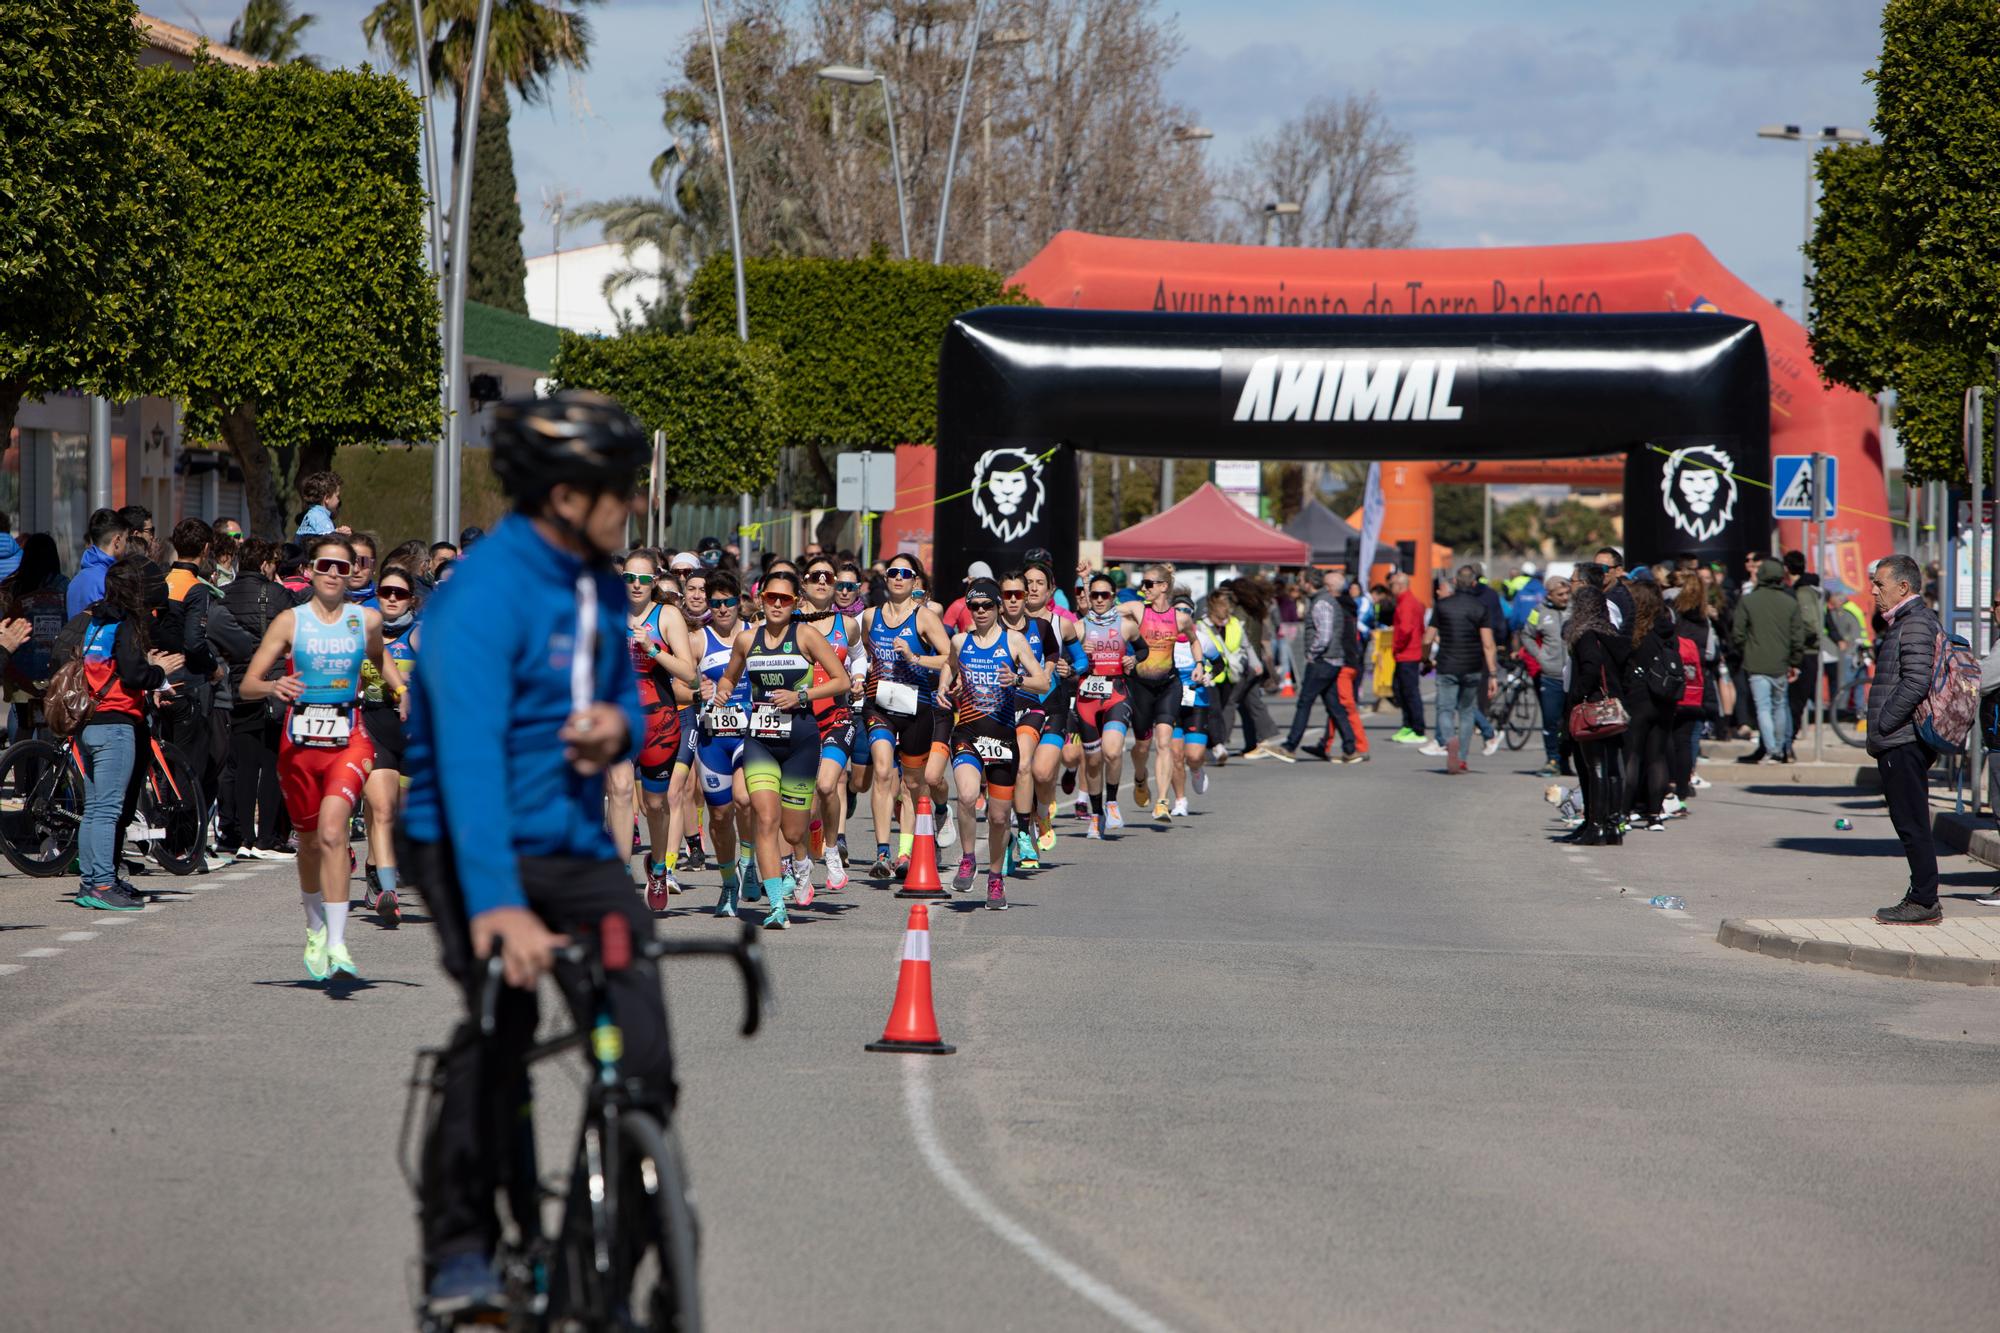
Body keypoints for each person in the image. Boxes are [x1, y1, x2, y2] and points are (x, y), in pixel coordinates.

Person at [400, 393, 666, 1311]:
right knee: (500, 1022)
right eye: (618, 489)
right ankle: (461, 1247)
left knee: (646, 1052)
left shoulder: (599, 581)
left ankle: (612, 1264)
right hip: (464, 838)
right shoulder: (480, 595)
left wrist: (614, 729)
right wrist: (499, 908)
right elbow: (468, 766)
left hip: (567, 836)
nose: (630, 504)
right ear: (562, 494)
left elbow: (628, 695)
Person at [239, 534, 401, 981]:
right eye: (325, 565)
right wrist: (274, 686)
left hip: (349, 739)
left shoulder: (365, 620)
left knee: (334, 833)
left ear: (352, 574)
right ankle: (314, 930)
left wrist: (401, 690)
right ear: (309, 571)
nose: (333, 574)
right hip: (299, 747)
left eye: (342, 567)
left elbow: (379, 656)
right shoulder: (290, 622)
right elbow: (247, 684)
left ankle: (338, 942)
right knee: (309, 843)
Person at [709, 568, 851, 926]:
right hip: (760, 742)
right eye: (771, 597)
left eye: (784, 599)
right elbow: (730, 674)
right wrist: (724, 688)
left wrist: (801, 694)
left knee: (792, 831)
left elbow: (841, 681)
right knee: (766, 820)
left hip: (801, 741)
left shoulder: (805, 636)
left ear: (795, 603)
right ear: (760, 599)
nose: (776, 604)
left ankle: (802, 860)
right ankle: (776, 906)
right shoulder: (746, 639)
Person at [65, 557, 182, 911]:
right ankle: (102, 883)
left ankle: (93, 881)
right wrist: (158, 674)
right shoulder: (128, 623)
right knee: (108, 810)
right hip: (115, 723)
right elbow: (132, 673)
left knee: (96, 808)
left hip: (89, 721)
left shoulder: (96, 621)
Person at [943, 577, 1049, 907]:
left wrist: (1018, 679)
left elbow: (1043, 681)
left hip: (1003, 736)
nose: (980, 611)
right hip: (969, 733)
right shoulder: (961, 641)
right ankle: (967, 859)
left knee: (1000, 817)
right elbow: (948, 668)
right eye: (974, 606)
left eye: (987, 605)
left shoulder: (1014, 640)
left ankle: (995, 877)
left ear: (998, 607)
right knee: (968, 794)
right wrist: (943, 687)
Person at [606, 552, 698, 912]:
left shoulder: (668, 616)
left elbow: (690, 675)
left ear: (655, 581)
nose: (636, 585)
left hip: (659, 721)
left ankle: (658, 867)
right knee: (619, 788)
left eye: (644, 580)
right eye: (629, 578)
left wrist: (652, 647)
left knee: (655, 805)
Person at [858, 554, 955, 878]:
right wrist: (861, 675)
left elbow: (948, 658)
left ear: (915, 581)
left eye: (905, 574)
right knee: (884, 772)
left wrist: (914, 658)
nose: (898, 578)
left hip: (917, 706)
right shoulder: (870, 617)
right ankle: (882, 853)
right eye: (892, 572)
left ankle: (905, 852)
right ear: (885, 579)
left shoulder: (924, 618)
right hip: (880, 706)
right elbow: (862, 655)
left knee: (913, 783)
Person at [1866, 555, 1946, 924]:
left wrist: (1885, 723)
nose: (1873, 590)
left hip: (1903, 738)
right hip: (1899, 737)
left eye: (1880, 584)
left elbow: (1915, 681)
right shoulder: (1905, 621)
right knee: (1907, 818)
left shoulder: (1914, 623)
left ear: (1903, 587)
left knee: (1911, 820)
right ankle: (1922, 896)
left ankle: (1924, 900)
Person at [207, 538, 296, 860]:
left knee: (243, 764)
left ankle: (242, 835)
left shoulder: (224, 596)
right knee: (272, 763)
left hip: (238, 685)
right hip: (274, 684)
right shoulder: (278, 595)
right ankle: (267, 837)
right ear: (265, 564)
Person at [358, 566, 420, 926]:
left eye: (400, 593)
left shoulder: (421, 633)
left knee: (399, 815)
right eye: (386, 592)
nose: (392, 599)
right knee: (380, 807)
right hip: (374, 726)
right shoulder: (364, 631)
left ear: (411, 599)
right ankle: (387, 891)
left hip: (413, 734)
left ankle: (372, 864)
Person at [1563, 582, 1630, 845]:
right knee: (1613, 767)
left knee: (1596, 768)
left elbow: (1590, 669)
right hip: (1615, 706)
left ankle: (1596, 826)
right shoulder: (1612, 634)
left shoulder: (1586, 635)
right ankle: (1613, 825)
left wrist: (1576, 697)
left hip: (1593, 708)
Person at [1074, 571, 1136, 837]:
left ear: (1113, 597)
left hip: (1116, 693)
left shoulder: (1126, 625)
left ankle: (1112, 802)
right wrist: (1078, 653)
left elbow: (1142, 649)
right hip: (1087, 697)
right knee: (1093, 761)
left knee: (1112, 752)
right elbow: (1065, 659)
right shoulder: (1078, 628)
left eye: (1104, 595)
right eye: (1094, 595)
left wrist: (1133, 661)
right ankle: (1096, 814)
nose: (1099, 599)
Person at [1732, 557, 1811, 764]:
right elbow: (1797, 637)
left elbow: (1738, 634)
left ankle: (1772, 749)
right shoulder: (1790, 602)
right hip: (1782, 663)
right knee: (1780, 705)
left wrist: (1748, 650)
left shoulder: (1748, 601)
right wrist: (1794, 662)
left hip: (1756, 662)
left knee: (1763, 707)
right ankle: (1782, 747)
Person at [1272, 568, 1355, 762]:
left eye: (1301, 580)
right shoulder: (1324, 600)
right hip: (1332, 660)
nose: (1299, 584)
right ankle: (1351, 748)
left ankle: (1290, 745)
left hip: (1322, 661)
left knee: (1305, 703)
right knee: (1334, 706)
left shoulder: (1321, 603)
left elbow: (1324, 635)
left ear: (1309, 582)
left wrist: (1312, 653)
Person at [1421, 566, 1498, 772]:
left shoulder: (1442, 606)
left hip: (1447, 664)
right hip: (1472, 666)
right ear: (1474, 583)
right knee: (1466, 711)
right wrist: (1492, 673)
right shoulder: (1480, 608)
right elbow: (1488, 644)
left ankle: (1448, 740)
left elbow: (1427, 638)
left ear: (1455, 582)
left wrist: (1425, 659)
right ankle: (1462, 757)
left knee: (1444, 708)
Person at [1619, 580, 1681, 830]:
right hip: (1665, 696)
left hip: (1638, 695)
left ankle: (1624, 811)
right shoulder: (1667, 628)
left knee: (1632, 755)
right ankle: (1655, 814)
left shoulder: (1633, 629)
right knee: (1657, 756)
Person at [1668, 578, 1720, 806]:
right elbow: (1710, 653)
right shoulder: (1704, 620)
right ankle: (1684, 783)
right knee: (1688, 738)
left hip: (1672, 681)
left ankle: (1669, 780)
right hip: (1696, 681)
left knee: (1669, 734)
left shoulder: (1672, 617)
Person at [1524, 575, 1571, 777]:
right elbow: (1526, 635)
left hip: (1573, 676)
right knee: (1551, 720)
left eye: (1567, 593)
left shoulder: (1575, 609)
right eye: (1560, 594)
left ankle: (1566, 760)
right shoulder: (1538, 612)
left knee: (1569, 723)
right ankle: (1552, 759)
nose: (1565, 597)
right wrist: (1540, 656)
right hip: (1550, 676)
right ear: (1550, 595)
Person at [67, 508, 129, 619]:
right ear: (117, 540)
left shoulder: (75, 581)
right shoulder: (109, 580)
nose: (127, 545)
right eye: (126, 539)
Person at [1388, 572, 1427, 742]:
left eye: (1392, 585)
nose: (1391, 589)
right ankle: (1408, 725)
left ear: (1400, 585)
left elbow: (1405, 629)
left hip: (1407, 653)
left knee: (1409, 691)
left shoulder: (1407, 603)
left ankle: (1417, 729)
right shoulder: (1409, 602)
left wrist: (1396, 646)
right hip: (1408, 653)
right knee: (1401, 689)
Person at [296, 470, 344, 537]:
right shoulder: (322, 520)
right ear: (327, 498)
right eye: (337, 496)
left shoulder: (309, 516)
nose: (339, 501)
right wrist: (340, 536)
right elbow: (329, 544)